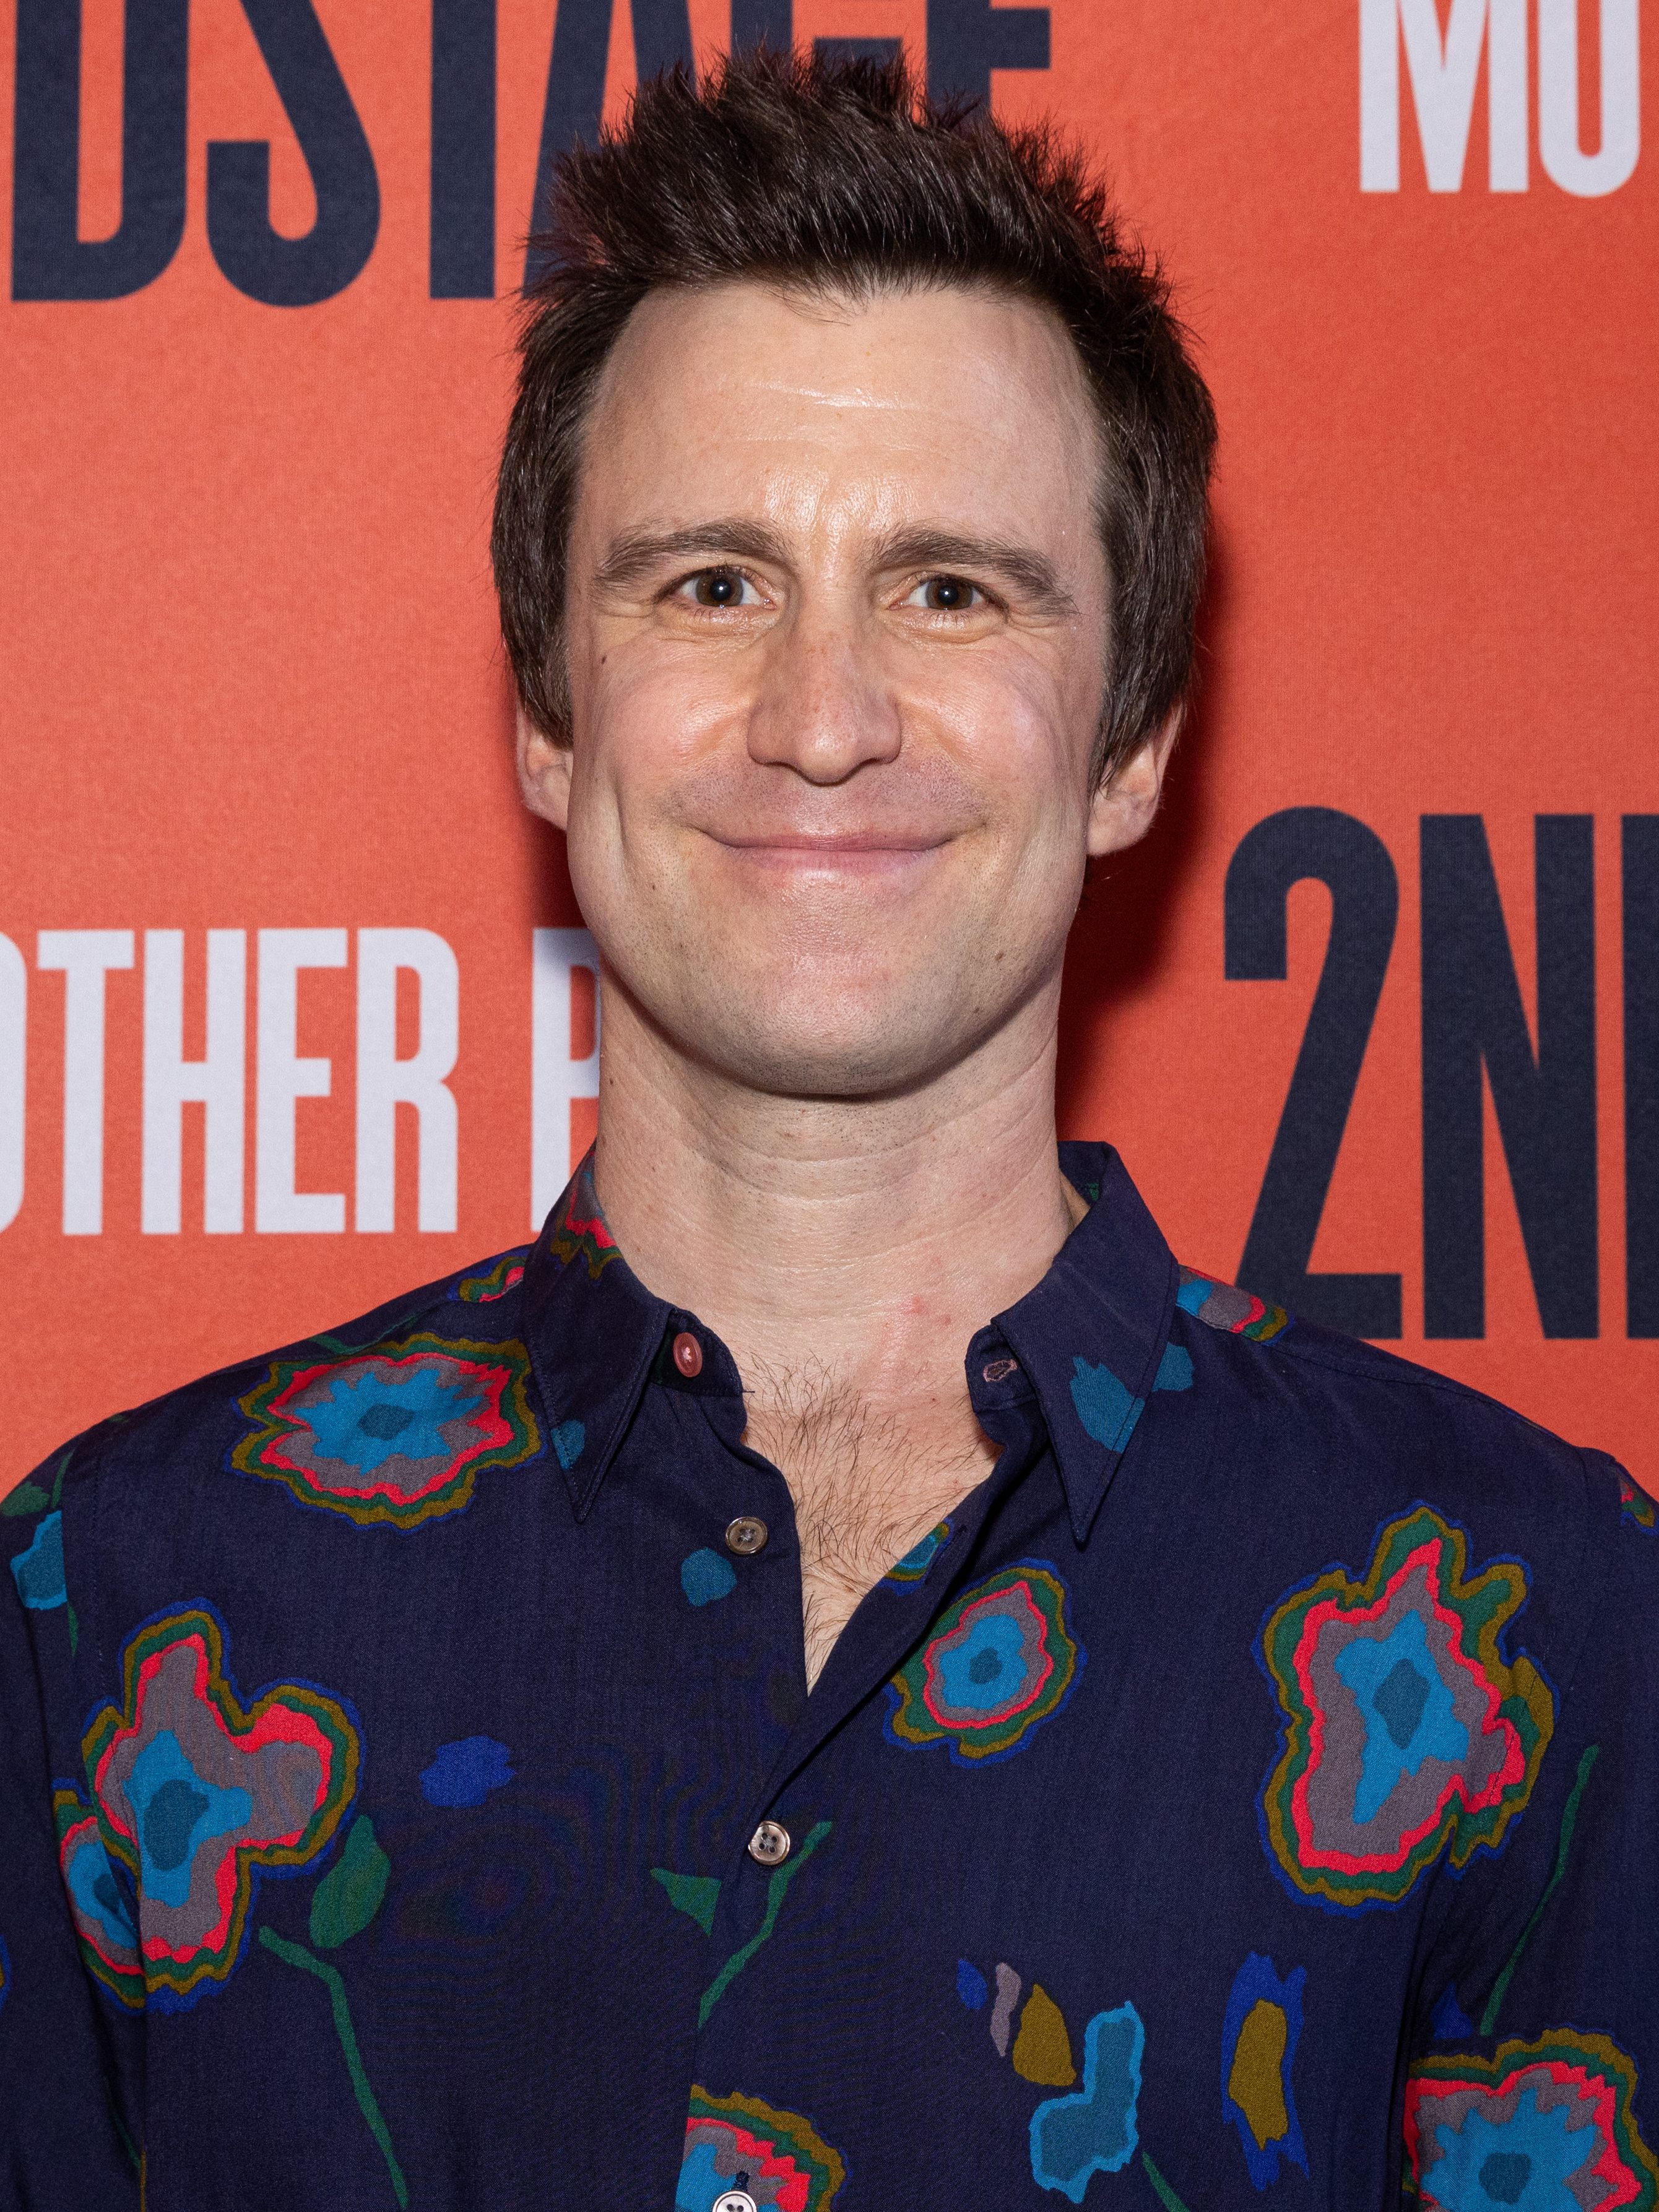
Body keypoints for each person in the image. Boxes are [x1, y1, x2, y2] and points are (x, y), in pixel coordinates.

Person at [3, 45, 1655, 2212]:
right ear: (541, 705)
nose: (822, 717)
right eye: (708, 585)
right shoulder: (122, 1608)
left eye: (951, 589)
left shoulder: (1531, 1624)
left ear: (1135, 739)